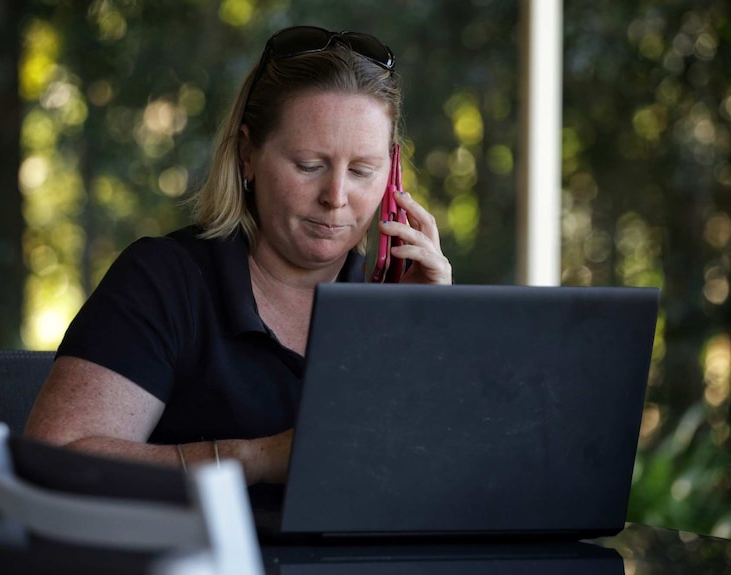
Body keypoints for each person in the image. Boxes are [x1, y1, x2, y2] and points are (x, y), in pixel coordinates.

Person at [24, 26, 452, 486]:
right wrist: (260, 458)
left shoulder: (396, 300)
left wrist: (421, 336)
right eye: (309, 166)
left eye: (364, 171)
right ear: (248, 154)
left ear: (394, 174)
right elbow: (49, 462)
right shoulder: (166, 281)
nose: (336, 196)